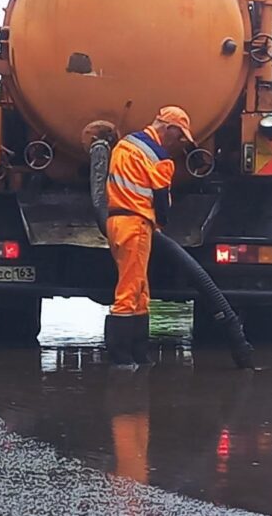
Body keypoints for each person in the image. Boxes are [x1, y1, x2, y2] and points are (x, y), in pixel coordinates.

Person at [104, 106, 195, 365]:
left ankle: (139, 353)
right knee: (129, 289)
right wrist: (162, 223)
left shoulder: (124, 145)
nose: (179, 143)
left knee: (141, 290)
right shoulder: (159, 158)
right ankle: (121, 356)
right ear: (169, 129)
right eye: (179, 137)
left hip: (116, 221)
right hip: (136, 223)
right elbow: (161, 200)